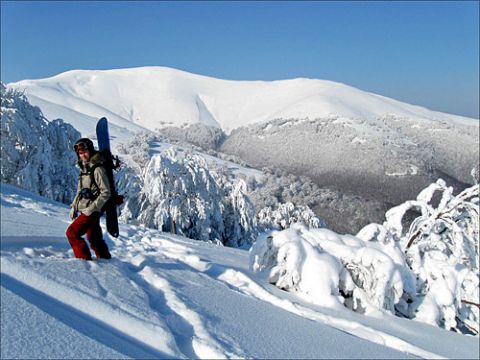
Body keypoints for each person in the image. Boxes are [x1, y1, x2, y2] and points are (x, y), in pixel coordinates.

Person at [66, 138, 112, 260]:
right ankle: (106, 260)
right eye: (80, 153)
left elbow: (106, 192)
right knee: (94, 238)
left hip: (91, 210)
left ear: (90, 150)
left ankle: (83, 261)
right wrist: (74, 207)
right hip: (86, 208)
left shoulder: (97, 169)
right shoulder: (84, 169)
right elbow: (80, 191)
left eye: (85, 151)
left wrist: (91, 209)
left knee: (72, 233)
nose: (83, 155)